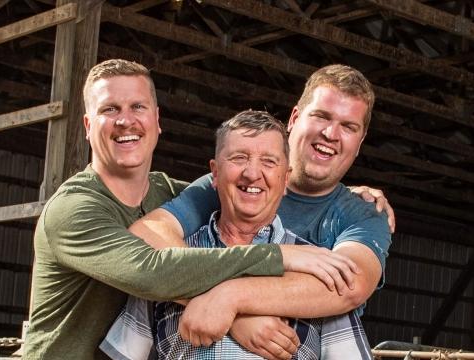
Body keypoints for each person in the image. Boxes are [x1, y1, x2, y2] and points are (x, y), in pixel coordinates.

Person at [23, 59, 373, 360]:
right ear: (87, 125)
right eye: (109, 109)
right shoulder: (74, 209)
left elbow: (247, 191)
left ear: (157, 120)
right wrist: (247, 298)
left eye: (137, 107)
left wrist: (348, 195)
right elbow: (152, 272)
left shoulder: (172, 195)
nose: (125, 121)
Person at [120, 64, 392, 359]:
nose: (330, 133)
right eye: (321, 117)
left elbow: (348, 287)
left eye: (348, 127)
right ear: (295, 118)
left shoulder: (362, 214)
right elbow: (147, 235)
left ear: (361, 140)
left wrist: (231, 298)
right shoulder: (225, 187)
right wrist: (235, 317)